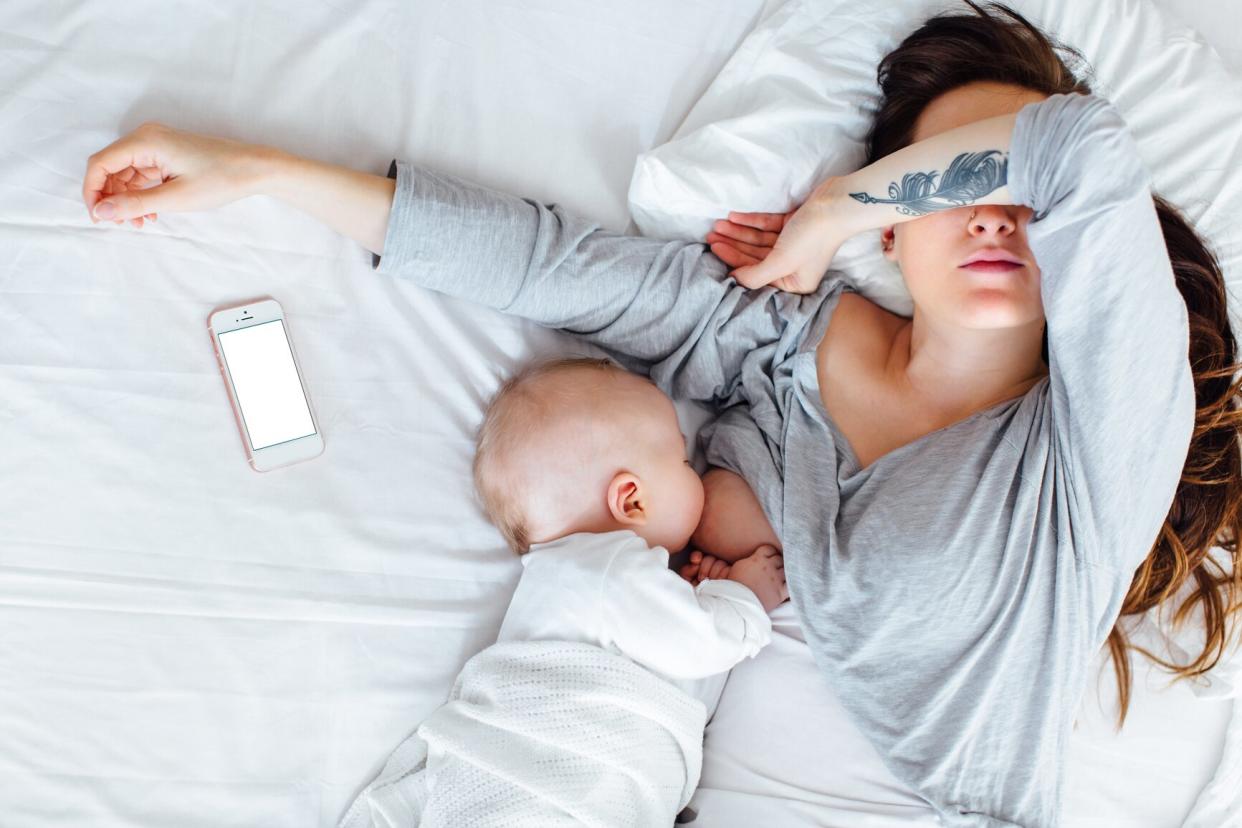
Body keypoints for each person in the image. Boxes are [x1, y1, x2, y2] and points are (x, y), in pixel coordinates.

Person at [80, 3, 1241, 823]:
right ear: (900, 237)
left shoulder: (1097, 443)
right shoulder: (777, 337)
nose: (993, 211)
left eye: (1009, 185)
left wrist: (835, 200)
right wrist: (257, 174)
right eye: (952, 180)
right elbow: (552, 268)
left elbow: (1083, 150)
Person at [340, 356, 784, 827]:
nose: (693, 469)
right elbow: (706, 644)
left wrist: (706, 595)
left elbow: (673, 685)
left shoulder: (575, 579)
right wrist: (745, 597)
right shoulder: (608, 568)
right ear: (631, 499)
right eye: (681, 460)